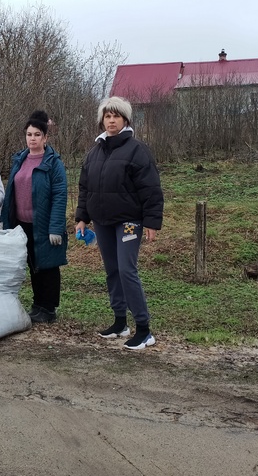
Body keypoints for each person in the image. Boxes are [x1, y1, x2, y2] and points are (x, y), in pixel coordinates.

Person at [75, 97, 164, 351]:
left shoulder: (137, 150)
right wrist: (82, 217)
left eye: (116, 116)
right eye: (107, 116)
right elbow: (85, 187)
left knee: (127, 270)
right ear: (102, 120)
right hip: (102, 222)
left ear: (125, 120)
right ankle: (120, 322)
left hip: (128, 222)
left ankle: (144, 330)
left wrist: (151, 222)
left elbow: (151, 188)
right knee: (112, 270)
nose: (111, 120)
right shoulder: (95, 151)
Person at [0, 110, 67, 323]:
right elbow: (11, 192)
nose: (32, 138)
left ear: (45, 137)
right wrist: (7, 222)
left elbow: (60, 195)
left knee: (47, 265)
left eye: (37, 134)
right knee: (32, 264)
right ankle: (37, 305)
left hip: (44, 224)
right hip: (22, 223)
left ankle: (48, 309)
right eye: (29, 134)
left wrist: (55, 227)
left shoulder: (53, 163)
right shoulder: (20, 159)